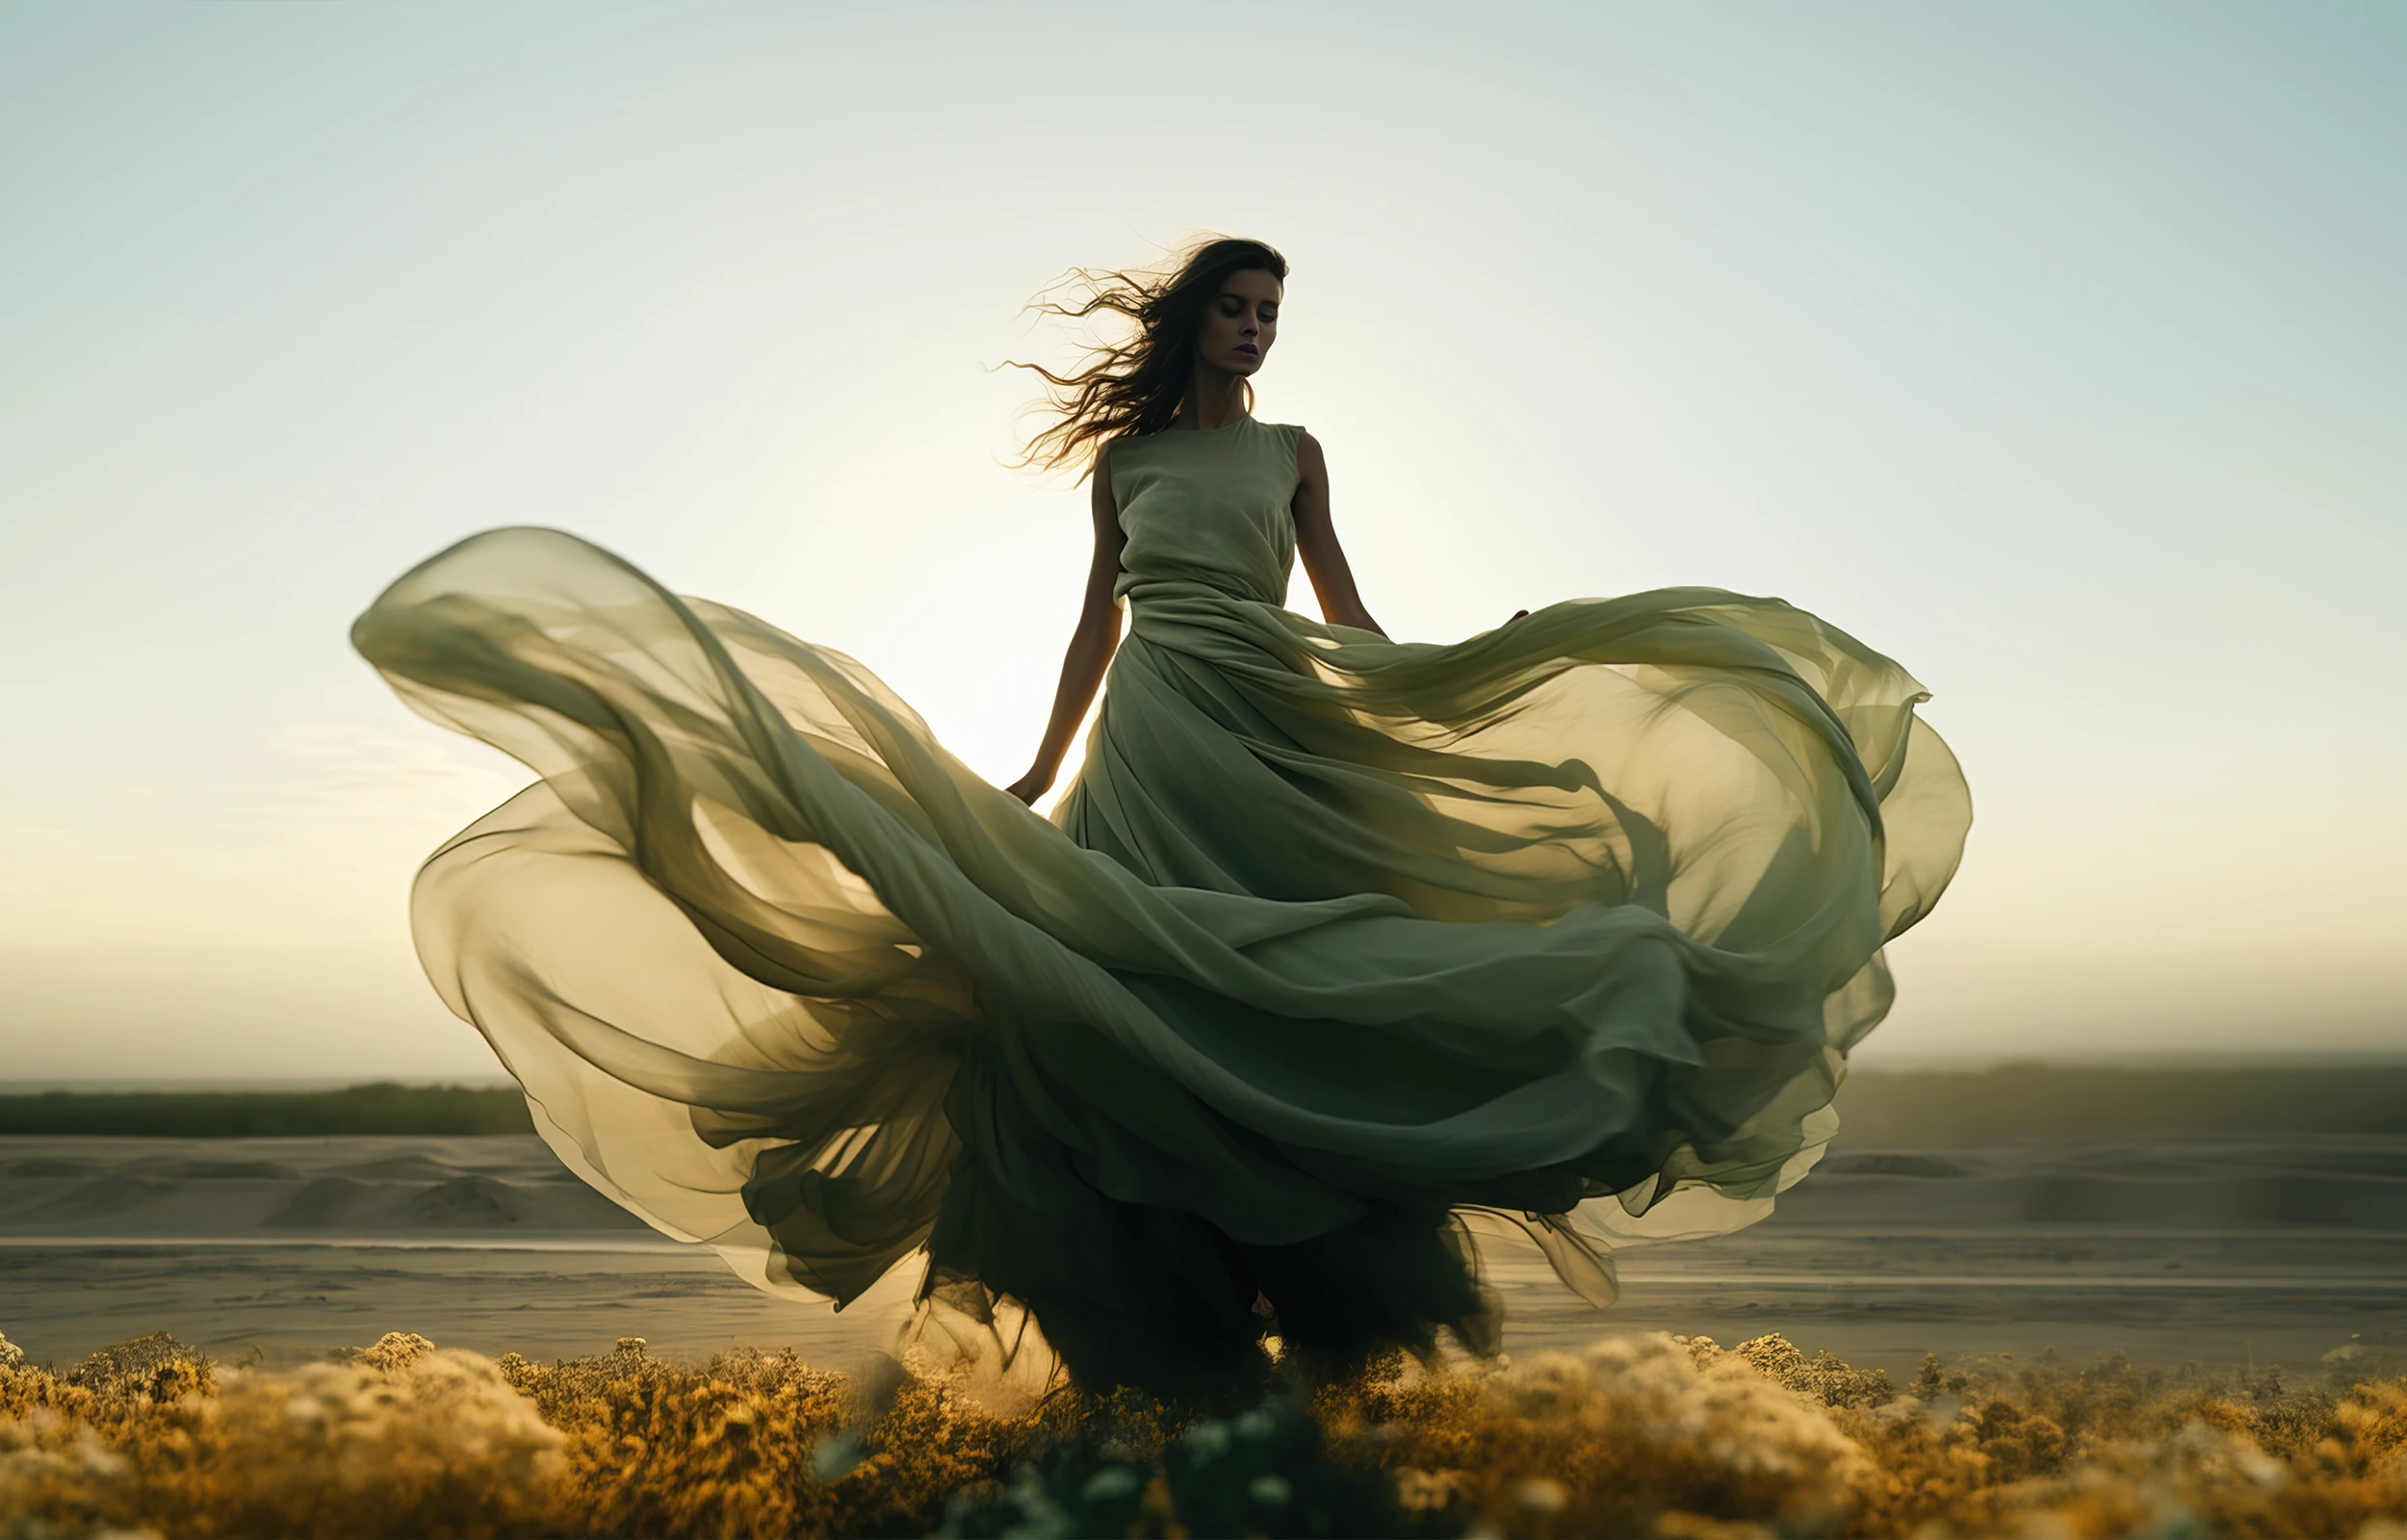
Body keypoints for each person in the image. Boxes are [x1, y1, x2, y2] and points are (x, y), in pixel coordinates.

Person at [351, 235, 1970, 1404]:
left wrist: (1427, 706)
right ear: (1194, 318)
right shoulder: (1127, 462)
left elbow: (1340, 605)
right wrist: (1046, 766)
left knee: (1292, 994)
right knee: (1120, 1004)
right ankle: (1164, 1331)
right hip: (1151, 732)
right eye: (1240, 308)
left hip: (1269, 719)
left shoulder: (1293, 450)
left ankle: (1296, 1296)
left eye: (1276, 314)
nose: (1259, 333)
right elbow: (1094, 626)